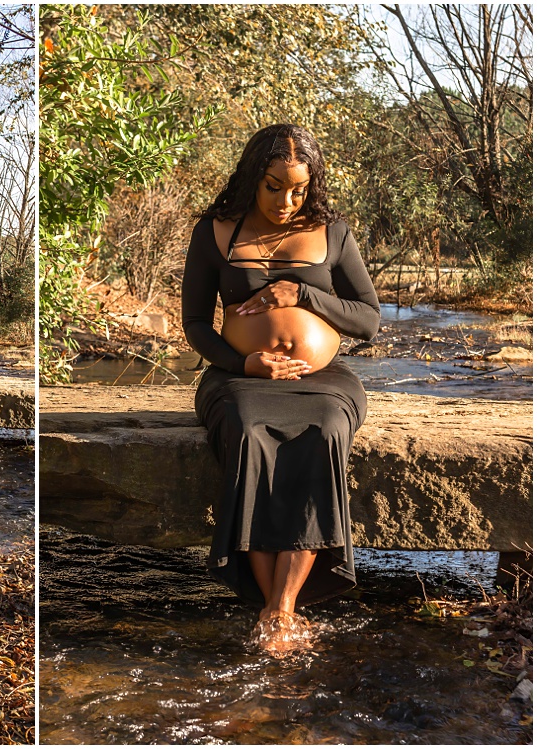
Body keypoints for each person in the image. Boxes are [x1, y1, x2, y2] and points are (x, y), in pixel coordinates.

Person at [181, 124, 381, 654]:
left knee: (325, 431)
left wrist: (304, 294)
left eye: (298, 188)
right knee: (250, 434)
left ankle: (280, 609)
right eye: (274, 186)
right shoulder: (216, 230)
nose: (286, 201)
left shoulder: (332, 231)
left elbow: (368, 319)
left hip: (323, 382)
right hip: (237, 377)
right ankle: (279, 611)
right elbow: (196, 324)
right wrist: (244, 362)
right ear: (253, 177)